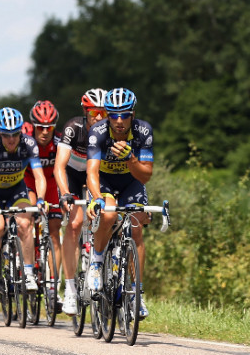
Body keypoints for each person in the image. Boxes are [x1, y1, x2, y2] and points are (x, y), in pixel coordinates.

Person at [85, 88, 154, 318]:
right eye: (113, 115)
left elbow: (145, 175)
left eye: (124, 115)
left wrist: (130, 158)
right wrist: (96, 199)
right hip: (104, 182)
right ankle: (96, 262)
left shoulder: (143, 131)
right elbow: (92, 172)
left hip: (131, 182)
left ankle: (136, 294)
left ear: (132, 114)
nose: (119, 121)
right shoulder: (98, 132)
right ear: (107, 115)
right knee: (108, 215)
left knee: (136, 228)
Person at [0, 107, 47, 296]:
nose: (11, 139)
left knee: (25, 223)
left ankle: (29, 273)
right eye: (6, 134)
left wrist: (40, 199)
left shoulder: (29, 144)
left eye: (15, 134)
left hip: (17, 190)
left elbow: (39, 176)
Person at [54, 88, 107, 314]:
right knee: (74, 225)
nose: (99, 117)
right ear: (85, 112)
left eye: (104, 113)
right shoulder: (73, 128)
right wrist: (65, 192)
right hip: (73, 176)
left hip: (96, 175)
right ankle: (70, 289)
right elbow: (59, 166)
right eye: (94, 112)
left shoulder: (108, 131)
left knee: (107, 217)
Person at [24, 100, 68, 310]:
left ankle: (53, 286)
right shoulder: (25, 142)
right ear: (33, 126)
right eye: (40, 127)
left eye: (48, 127)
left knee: (54, 230)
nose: (44, 132)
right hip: (28, 183)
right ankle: (28, 269)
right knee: (29, 220)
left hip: (51, 185)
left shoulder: (60, 142)